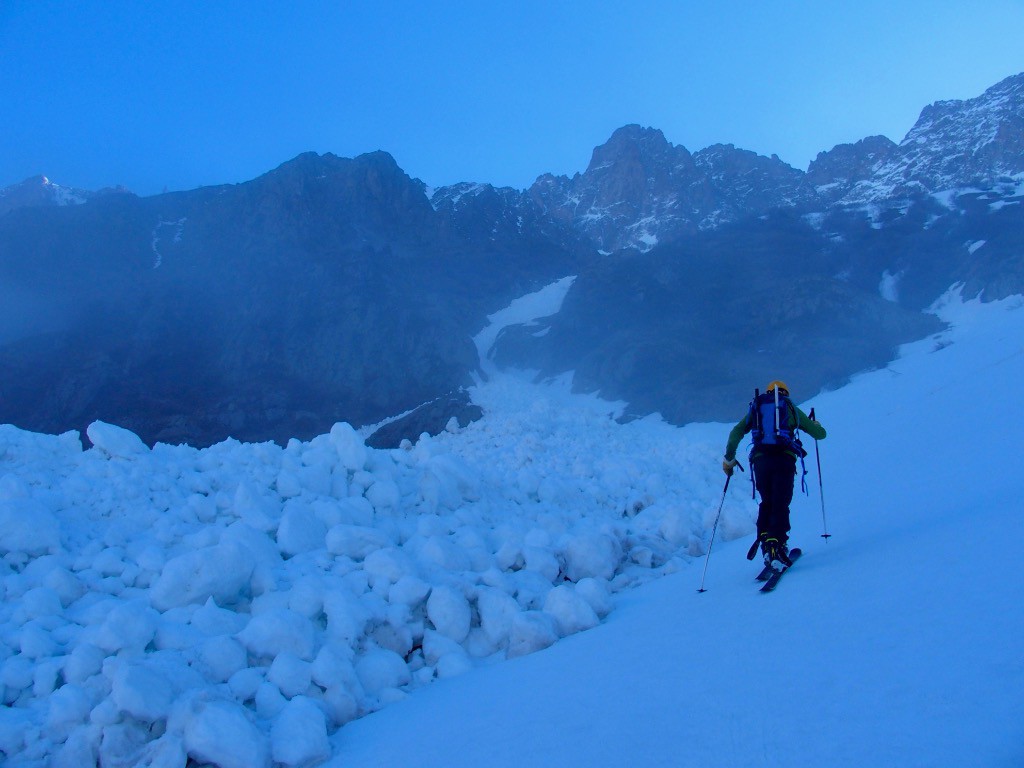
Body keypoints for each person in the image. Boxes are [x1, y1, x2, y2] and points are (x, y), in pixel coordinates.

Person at [721, 380, 826, 570]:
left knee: (767, 502)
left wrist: (729, 459)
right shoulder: (790, 408)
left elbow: (736, 432)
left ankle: (766, 544)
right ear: (785, 393)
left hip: (761, 462)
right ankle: (778, 546)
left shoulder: (757, 409)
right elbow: (820, 434)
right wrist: (815, 424)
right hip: (784, 460)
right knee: (781, 502)